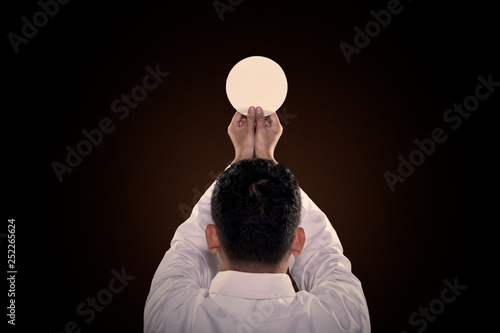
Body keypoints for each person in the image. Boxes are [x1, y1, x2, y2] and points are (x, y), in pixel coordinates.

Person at [144, 106, 371, 332]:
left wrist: (241, 160)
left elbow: (187, 252)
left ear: (212, 237)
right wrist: (267, 162)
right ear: (298, 240)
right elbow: (325, 257)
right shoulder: (340, 319)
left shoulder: (171, 316)